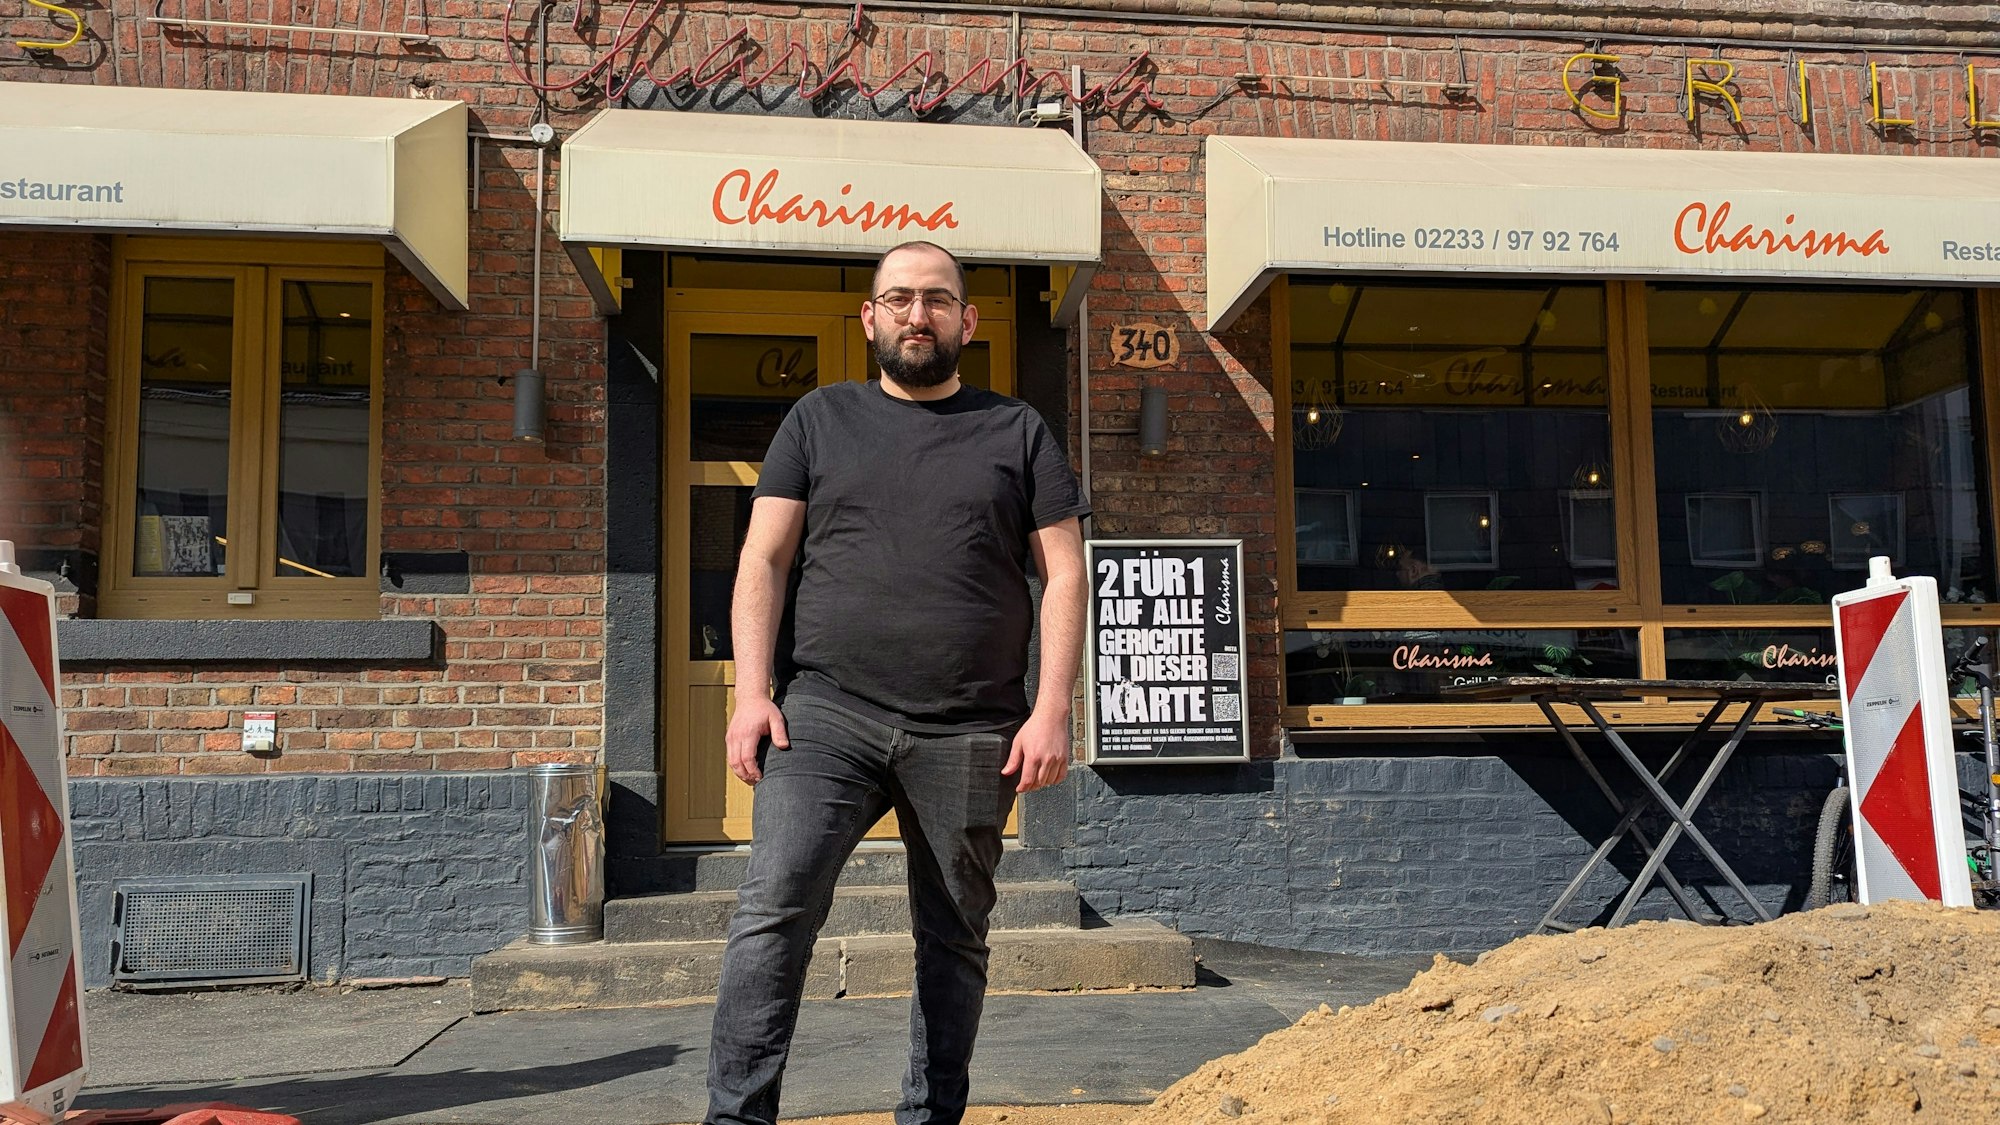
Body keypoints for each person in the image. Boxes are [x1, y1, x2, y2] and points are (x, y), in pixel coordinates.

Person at [706, 240, 1091, 1125]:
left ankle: (929, 1117)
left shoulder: (1018, 431)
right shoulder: (818, 419)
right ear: (871, 318)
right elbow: (763, 556)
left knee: (954, 936)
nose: (920, 314)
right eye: (901, 299)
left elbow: (1064, 574)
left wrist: (1051, 707)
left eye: (938, 299)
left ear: (968, 320)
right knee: (775, 907)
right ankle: (735, 1118)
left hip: (970, 726)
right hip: (825, 715)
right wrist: (752, 691)